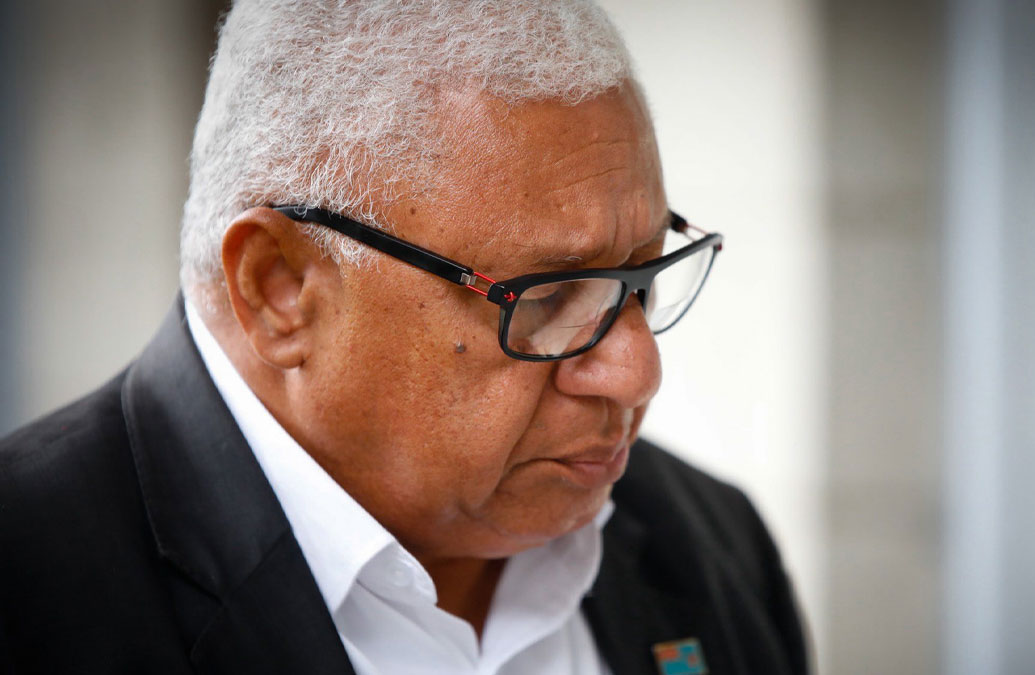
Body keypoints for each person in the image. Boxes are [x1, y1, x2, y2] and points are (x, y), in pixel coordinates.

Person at [0, 2, 808, 673]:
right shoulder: (32, 586)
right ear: (280, 288)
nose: (637, 371)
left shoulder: (713, 543)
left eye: (643, 274)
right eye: (548, 295)